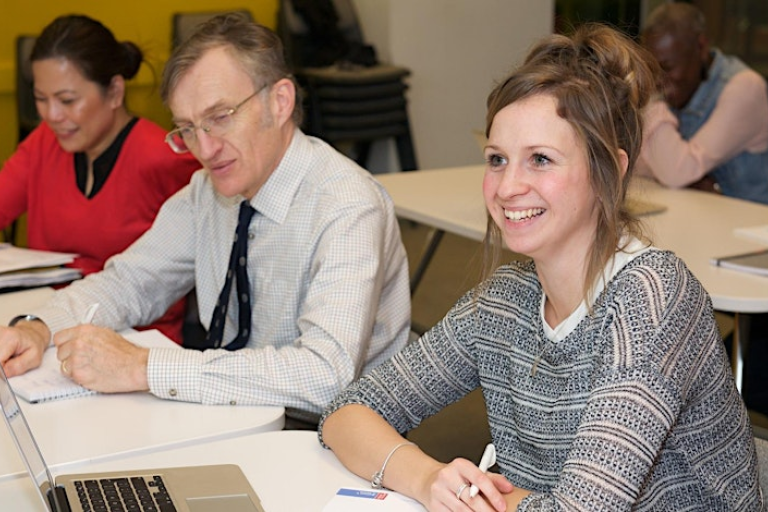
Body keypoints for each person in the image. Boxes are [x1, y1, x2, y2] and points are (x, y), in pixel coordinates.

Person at [319, 24, 760, 511]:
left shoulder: (652, 300)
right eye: (497, 159)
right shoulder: (505, 301)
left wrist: (473, 496)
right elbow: (346, 412)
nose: (508, 187)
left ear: (610, 171)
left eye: (541, 160)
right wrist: (428, 479)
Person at [0, 14, 410, 426]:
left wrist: (143, 367)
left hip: (334, 435)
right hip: (233, 412)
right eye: (188, 129)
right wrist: (38, 327)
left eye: (221, 117)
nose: (206, 149)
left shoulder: (346, 206)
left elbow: (324, 374)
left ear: (280, 101)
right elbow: (130, 282)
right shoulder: (208, 191)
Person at [0, 15, 199, 343]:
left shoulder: (164, 159)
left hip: (134, 339)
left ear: (115, 91)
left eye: (67, 100)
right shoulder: (43, 143)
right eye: (41, 99)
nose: (52, 115)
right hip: (47, 322)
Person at [637, 2, 768, 204]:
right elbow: (635, 165)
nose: (657, 80)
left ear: (701, 46)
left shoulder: (745, 88)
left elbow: (675, 172)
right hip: (703, 214)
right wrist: (683, 175)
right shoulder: (679, 86)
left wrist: (650, 99)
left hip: (751, 219)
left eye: (667, 67)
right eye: (651, 69)